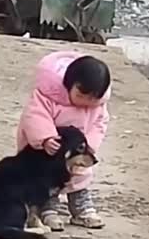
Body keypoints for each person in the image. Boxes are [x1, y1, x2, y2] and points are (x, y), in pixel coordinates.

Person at [16, 51, 111, 230]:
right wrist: (45, 138)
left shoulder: (97, 106)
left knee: (80, 174)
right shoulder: (48, 95)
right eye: (81, 95)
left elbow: (100, 124)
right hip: (47, 151)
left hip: (76, 152)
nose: (86, 102)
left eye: (93, 98)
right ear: (68, 85)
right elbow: (35, 115)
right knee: (47, 179)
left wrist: (89, 145)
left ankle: (81, 209)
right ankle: (48, 208)